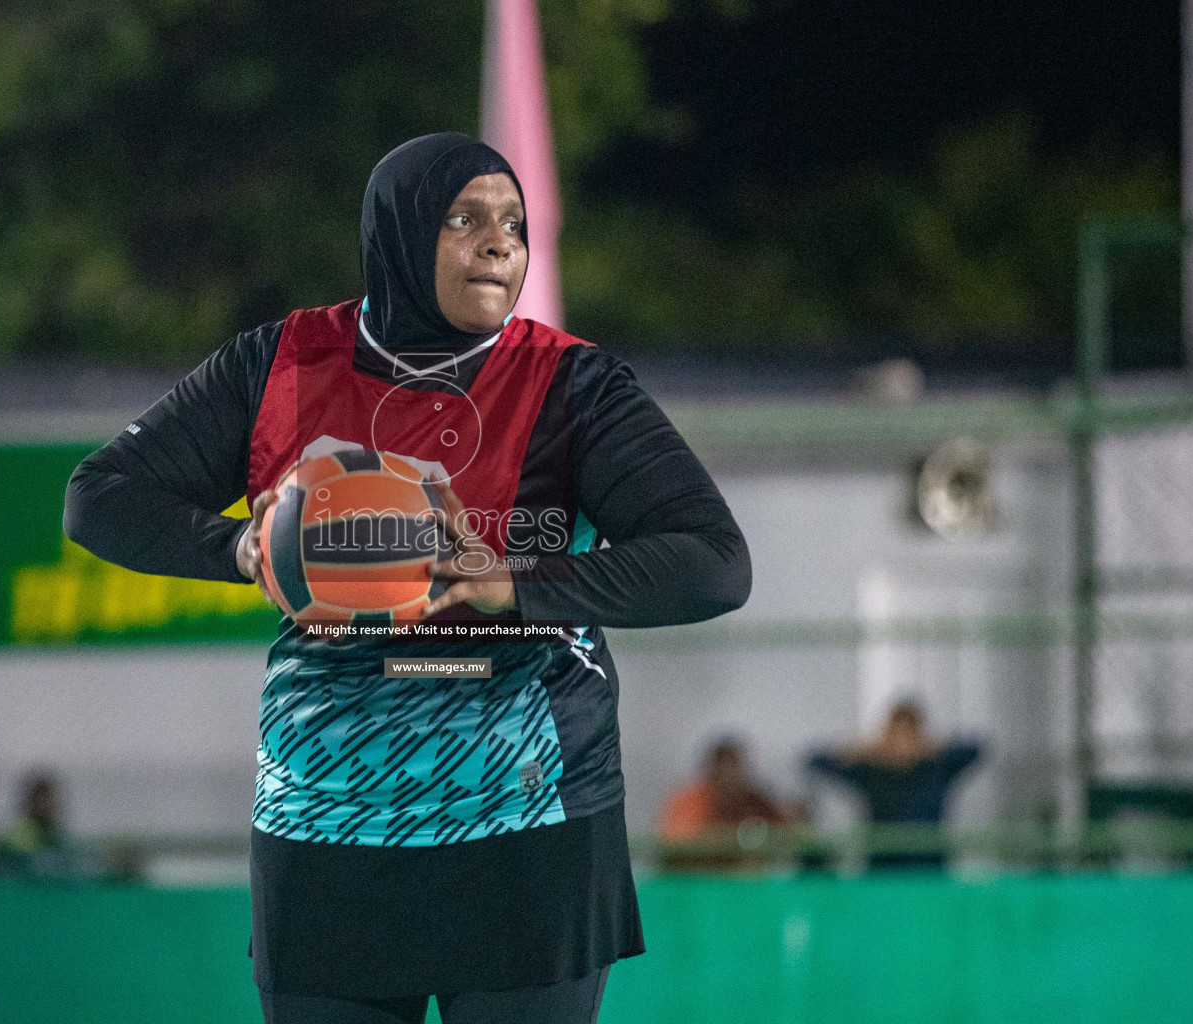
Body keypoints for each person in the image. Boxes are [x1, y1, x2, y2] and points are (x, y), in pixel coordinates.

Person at [64, 132, 751, 1024]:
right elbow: (97, 497)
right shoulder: (281, 363)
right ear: (398, 231)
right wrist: (244, 548)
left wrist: (513, 579)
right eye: (464, 219)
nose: (499, 243)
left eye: (512, 222)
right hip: (327, 821)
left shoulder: (573, 384)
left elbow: (713, 561)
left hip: (529, 823)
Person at [808, 700, 982, 869]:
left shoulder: (937, 768)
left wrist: (930, 748)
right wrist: (862, 750)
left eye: (909, 734)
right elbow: (815, 761)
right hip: (882, 870)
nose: (902, 743)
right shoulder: (871, 771)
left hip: (929, 869)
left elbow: (976, 749)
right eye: (896, 734)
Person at [657, 737, 790, 871]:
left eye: (734, 767)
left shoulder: (754, 800)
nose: (728, 775)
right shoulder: (692, 801)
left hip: (743, 881)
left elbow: (787, 835)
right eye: (723, 768)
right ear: (712, 771)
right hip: (697, 879)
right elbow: (677, 845)